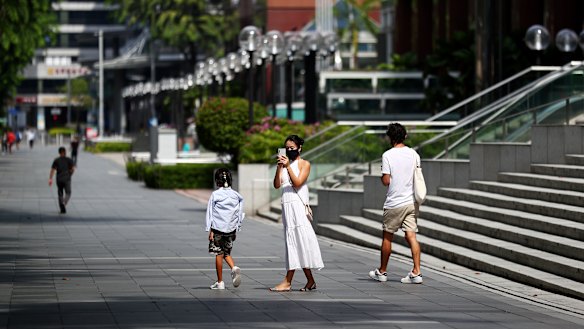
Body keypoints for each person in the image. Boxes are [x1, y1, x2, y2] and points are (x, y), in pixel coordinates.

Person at [369, 123, 423, 284]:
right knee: (411, 236)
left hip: (394, 203)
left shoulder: (387, 155)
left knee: (387, 237)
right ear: (405, 136)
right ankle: (417, 272)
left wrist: (383, 177)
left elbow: (386, 181)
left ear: (389, 137)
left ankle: (382, 271)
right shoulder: (413, 154)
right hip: (410, 202)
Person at [271, 134, 324, 292]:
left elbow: (298, 182)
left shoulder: (304, 164)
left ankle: (288, 281)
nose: (289, 151)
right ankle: (310, 280)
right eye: (287, 148)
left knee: (298, 240)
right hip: (287, 205)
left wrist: (287, 166)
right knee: (294, 241)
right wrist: (279, 167)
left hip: (297, 205)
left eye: (292, 148)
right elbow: (276, 185)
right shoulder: (284, 164)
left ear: (299, 148)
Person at [205, 168, 245, 290]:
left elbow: (210, 213)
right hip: (231, 229)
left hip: (217, 229)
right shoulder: (237, 195)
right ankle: (233, 268)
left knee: (219, 254)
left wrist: (209, 229)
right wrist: (237, 227)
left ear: (217, 181)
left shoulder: (215, 195)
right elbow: (239, 213)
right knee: (226, 252)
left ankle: (220, 282)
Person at [49, 147, 75, 214]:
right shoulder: (69, 160)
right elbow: (72, 169)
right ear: (65, 152)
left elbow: (52, 170)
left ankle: (62, 209)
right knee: (68, 192)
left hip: (59, 179)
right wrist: (70, 174)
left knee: (60, 194)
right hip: (67, 178)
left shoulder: (56, 160)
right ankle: (64, 201)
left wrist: (50, 179)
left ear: (59, 152)